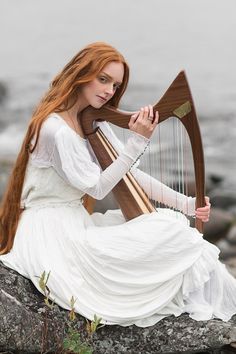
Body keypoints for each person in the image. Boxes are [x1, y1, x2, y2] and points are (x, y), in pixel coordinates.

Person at [0, 42, 235, 328]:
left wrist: (187, 203)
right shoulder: (54, 129)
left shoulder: (92, 120)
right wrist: (137, 142)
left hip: (76, 222)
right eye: (103, 79)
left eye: (115, 84)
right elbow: (97, 189)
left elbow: (130, 175)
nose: (110, 91)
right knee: (169, 236)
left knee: (173, 228)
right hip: (50, 231)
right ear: (81, 74)